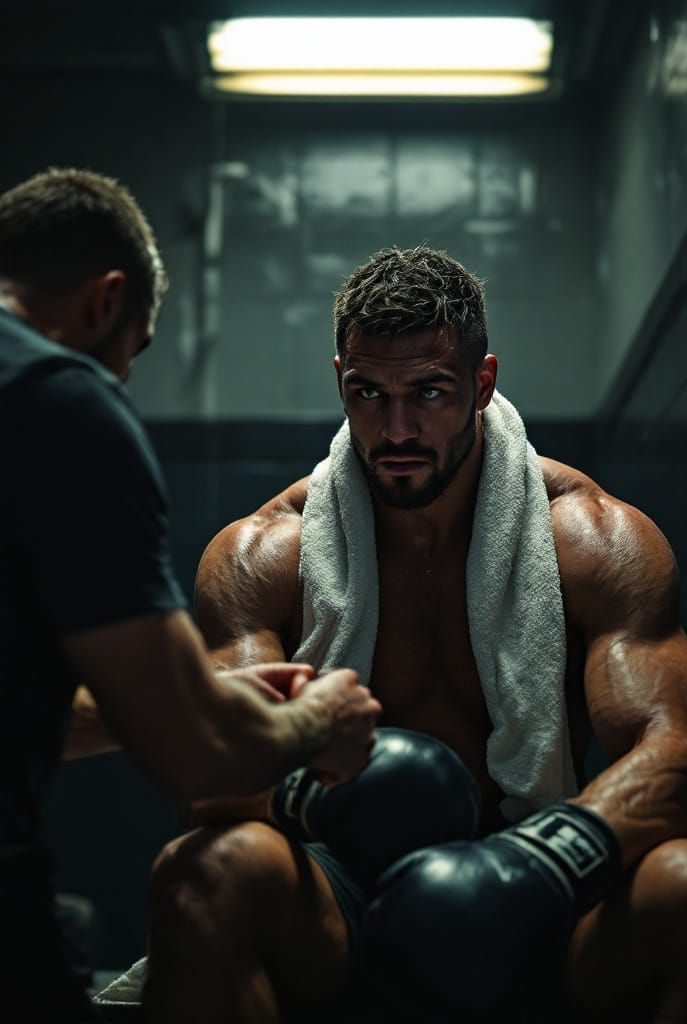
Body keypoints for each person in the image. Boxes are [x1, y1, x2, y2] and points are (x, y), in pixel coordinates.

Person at [148, 246, 687, 1023]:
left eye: (430, 392)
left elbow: (681, 760)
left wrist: (531, 868)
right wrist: (327, 801)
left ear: (482, 384)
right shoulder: (265, 555)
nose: (396, 426)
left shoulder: (592, 539)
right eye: (367, 393)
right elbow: (206, 767)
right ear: (340, 380)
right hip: (342, 895)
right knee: (204, 871)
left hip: (538, 886)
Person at [0, 169, 380, 1021]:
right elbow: (194, 758)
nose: (121, 382)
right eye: (132, 353)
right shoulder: (61, 404)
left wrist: (194, 694)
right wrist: (319, 721)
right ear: (107, 302)